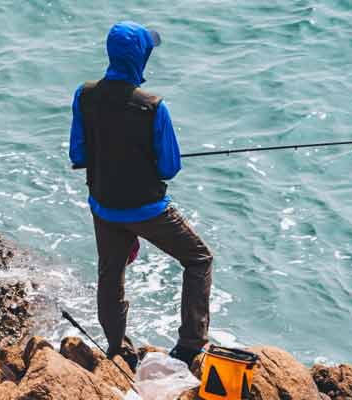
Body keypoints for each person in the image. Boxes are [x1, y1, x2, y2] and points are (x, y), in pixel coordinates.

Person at [69, 21, 213, 370]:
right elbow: (169, 168)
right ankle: (191, 345)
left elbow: (78, 155)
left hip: (104, 205)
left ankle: (117, 348)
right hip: (147, 209)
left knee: (110, 272)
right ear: (140, 57)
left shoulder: (85, 95)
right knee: (199, 260)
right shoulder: (152, 107)